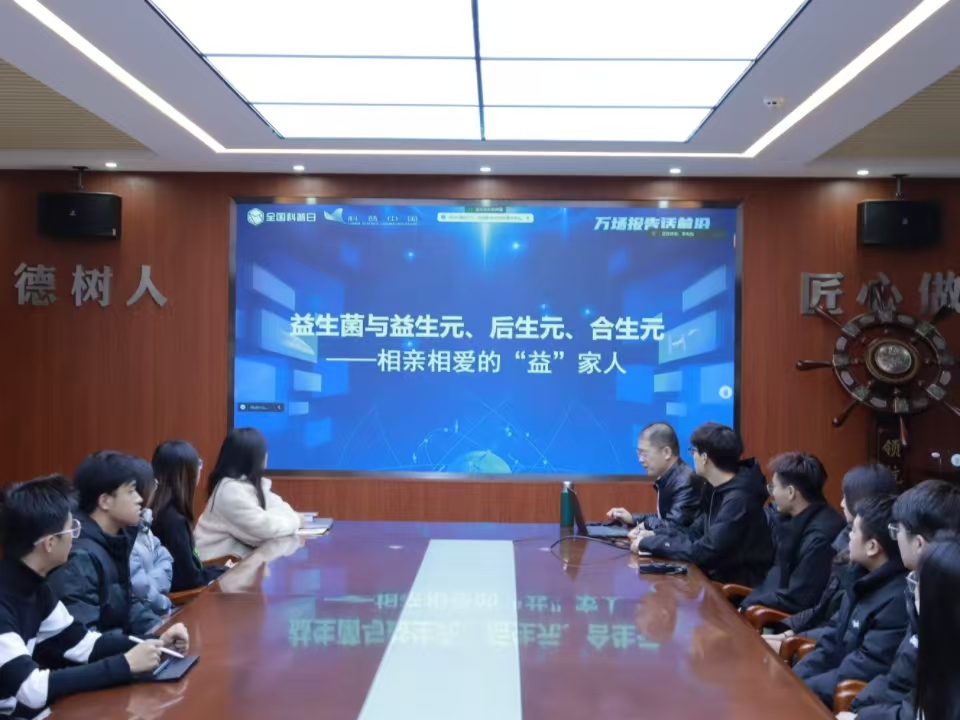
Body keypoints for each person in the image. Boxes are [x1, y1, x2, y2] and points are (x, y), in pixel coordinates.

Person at [0, 475, 188, 719]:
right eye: (72, 529)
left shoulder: (34, 586)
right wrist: (125, 665)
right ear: (49, 543)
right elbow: (32, 689)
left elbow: (82, 644)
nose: (75, 536)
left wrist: (156, 642)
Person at [844, 480, 960, 720]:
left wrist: (860, 716)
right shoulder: (918, 587)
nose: (896, 539)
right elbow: (901, 682)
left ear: (919, 544)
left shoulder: (939, 595)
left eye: (897, 531)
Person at [764, 464, 898, 652]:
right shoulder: (845, 543)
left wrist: (789, 642)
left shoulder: (847, 551)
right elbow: (827, 612)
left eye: (846, 497)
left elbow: (839, 634)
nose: (841, 503)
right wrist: (788, 633)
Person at [794, 495, 908, 708]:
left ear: (872, 546)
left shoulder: (897, 601)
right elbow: (830, 642)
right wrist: (792, 678)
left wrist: (800, 690)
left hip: (847, 702)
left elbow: (862, 669)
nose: (848, 537)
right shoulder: (860, 577)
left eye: (853, 531)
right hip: (824, 688)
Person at [632, 422, 773, 587]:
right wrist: (654, 535)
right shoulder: (715, 490)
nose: (692, 457)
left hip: (734, 589)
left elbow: (705, 552)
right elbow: (694, 533)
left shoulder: (739, 500)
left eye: (694, 451)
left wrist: (651, 544)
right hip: (713, 580)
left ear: (704, 458)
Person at [46, 452, 162, 636]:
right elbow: (83, 640)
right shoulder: (79, 557)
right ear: (105, 501)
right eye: (131, 491)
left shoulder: (113, 540)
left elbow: (125, 607)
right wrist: (141, 646)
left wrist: (160, 631)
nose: (140, 499)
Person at [741, 452, 845, 614]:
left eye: (774, 488)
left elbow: (799, 598)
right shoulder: (794, 518)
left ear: (790, 492)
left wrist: (747, 606)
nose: (772, 494)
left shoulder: (821, 538)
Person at [194, 428, 302, 561]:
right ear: (254, 457)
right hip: (216, 567)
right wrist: (296, 520)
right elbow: (265, 529)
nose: (266, 455)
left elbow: (284, 508)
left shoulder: (253, 485)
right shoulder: (230, 490)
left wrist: (287, 518)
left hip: (236, 564)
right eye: (264, 452)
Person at [150, 439, 226, 592]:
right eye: (198, 463)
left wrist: (221, 570)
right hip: (180, 601)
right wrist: (224, 572)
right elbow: (190, 581)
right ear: (185, 473)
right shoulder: (174, 521)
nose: (200, 469)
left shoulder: (158, 510)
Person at [606, 422, 703, 532]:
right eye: (638, 453)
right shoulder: (669, 477)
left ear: (666, 452)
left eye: (644, 454)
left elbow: (674, 527)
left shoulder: (686, 482)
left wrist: (644, 525)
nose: (640, 460)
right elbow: (663, 519)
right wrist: (632, 518)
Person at [128, 456, 173, 616]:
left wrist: (149, 582)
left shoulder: (145, 521)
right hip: (152, 613)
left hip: (154, 611)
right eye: (153, 484)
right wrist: (164, 603)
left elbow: (166, 560)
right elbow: (140, 590)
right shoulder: (125, 533)